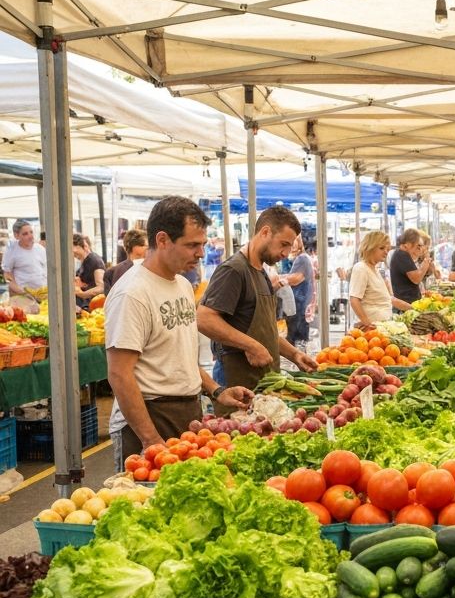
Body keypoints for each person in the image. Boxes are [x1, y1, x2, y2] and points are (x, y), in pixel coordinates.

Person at [105, 196, 251, 471]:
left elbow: (180, 356)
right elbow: (119, 374)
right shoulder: (132, 293)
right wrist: (151, 439)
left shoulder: (183, 286)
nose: (200, 253)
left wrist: (217, 391)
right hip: (150, 415)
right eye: (192, 245)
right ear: (162, 240)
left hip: (187, 412)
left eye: (202, 244)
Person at [196, 204, 318, 413]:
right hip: (237, 384)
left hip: (261, 384)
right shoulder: (234, 270)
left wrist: (294, 354)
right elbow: (204, 318)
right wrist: (251, 346)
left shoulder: (261, 272)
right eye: (283, 244)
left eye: (290, 247)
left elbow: (264, 331)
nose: (286, 253)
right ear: (265, 232)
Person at [350, 230, 409, 325]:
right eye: (382, 248)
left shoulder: (375, 270)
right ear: (370, 247)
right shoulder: (361, 268)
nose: (386, 252)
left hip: (383, 326)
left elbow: (388, 299)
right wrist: (368, 324)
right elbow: (354, 300)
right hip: (373, 329)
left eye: (387, 249)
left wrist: (413, 308)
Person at [2, 219, 47, 314]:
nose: (30, 236)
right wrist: (22, 291)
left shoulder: (40, 249)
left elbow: (46, 271)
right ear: (16, 236)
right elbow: (7, 275)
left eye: (31, 232)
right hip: (22, 297)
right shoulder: (11, 251)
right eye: (25, 234)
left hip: (43, 295)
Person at [280, 235, 315, 349]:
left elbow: (296, 278)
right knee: (296, 342)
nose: (292, 244)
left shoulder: (302, 258)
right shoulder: (296, 259)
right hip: (297, 307)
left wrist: (276, 278)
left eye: (294, 241)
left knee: (296, 343)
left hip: (299, 307)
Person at [389, 227, 433, 305]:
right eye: (418, 246)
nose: (419, 249)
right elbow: (417, 279)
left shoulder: (402, 254)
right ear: (408, 244)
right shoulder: (402, 255)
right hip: (406, 304)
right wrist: (426, 260)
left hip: (409, 302)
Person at [72, 233, 106, 302]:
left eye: (75, 252)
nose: (74, 255)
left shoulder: (95, 260)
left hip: (92, 303)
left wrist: (82, 294)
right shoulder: (84, 261)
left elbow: (101, 287)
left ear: (85, 246)